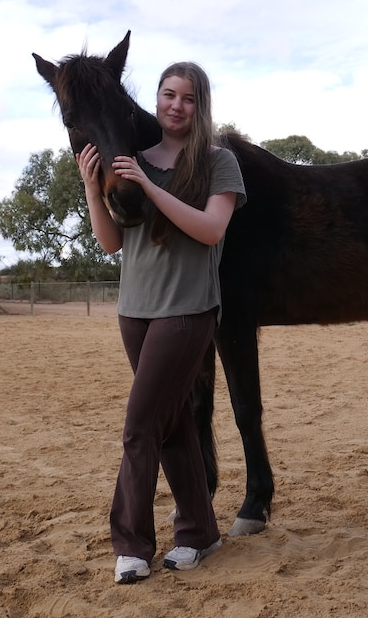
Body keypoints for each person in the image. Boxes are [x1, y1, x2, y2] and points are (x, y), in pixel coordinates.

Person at [76, 61, 246, 584]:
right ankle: (200, 531)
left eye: (188, 98)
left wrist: (149, 188)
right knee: (172, 428)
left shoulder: (218, 163)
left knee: (139, 425)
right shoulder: (130, 160)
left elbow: (212, 229)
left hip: (187, 311)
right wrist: (91, 187)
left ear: (201, 106)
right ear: (156, 99)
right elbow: (111, 244)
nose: (176, 105)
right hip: (134, 311)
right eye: (168, 94)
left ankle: (131, 545)